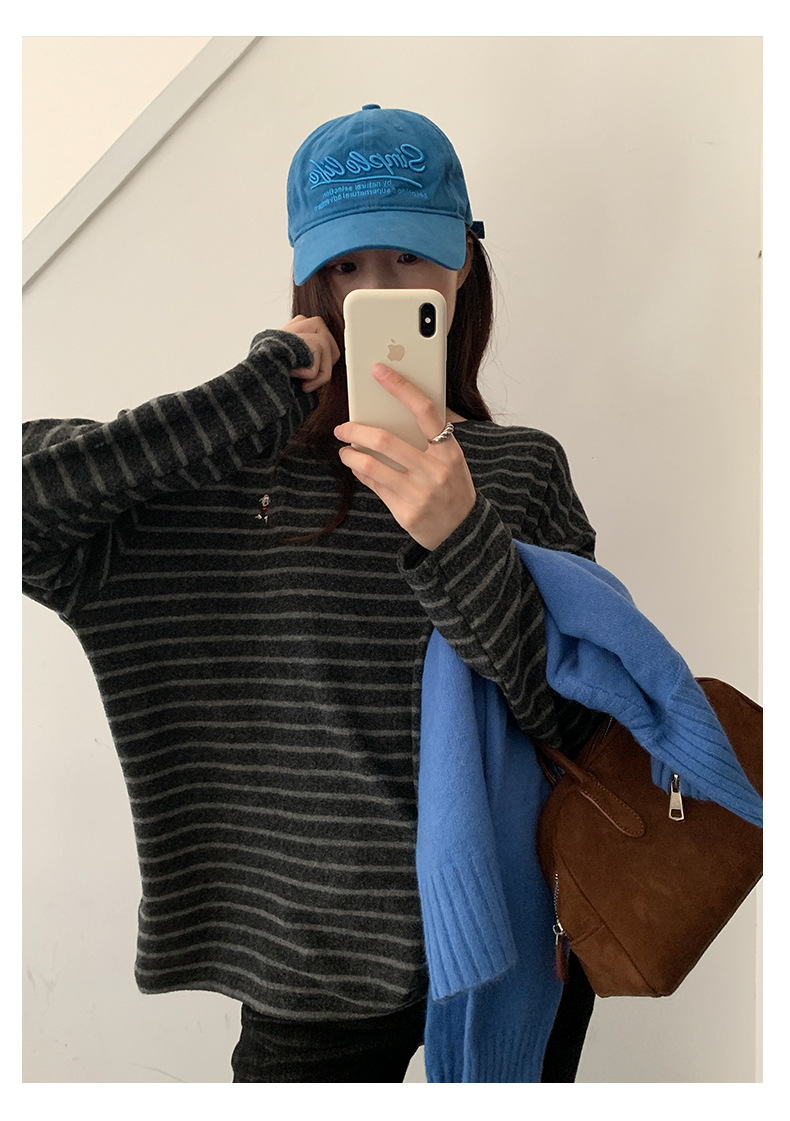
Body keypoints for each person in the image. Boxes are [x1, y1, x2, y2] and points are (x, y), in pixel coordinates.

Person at [22, 104, 599, 1083]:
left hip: (516, 934)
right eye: (345, 266)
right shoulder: (229, 471)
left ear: (463, 262)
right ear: (306, 282)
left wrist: (461, 535)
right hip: (309, 958)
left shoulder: (518, 469)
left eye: (409, 258)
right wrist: (258, 390)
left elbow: (574, 723)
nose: (377, 291)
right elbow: (28, 506)